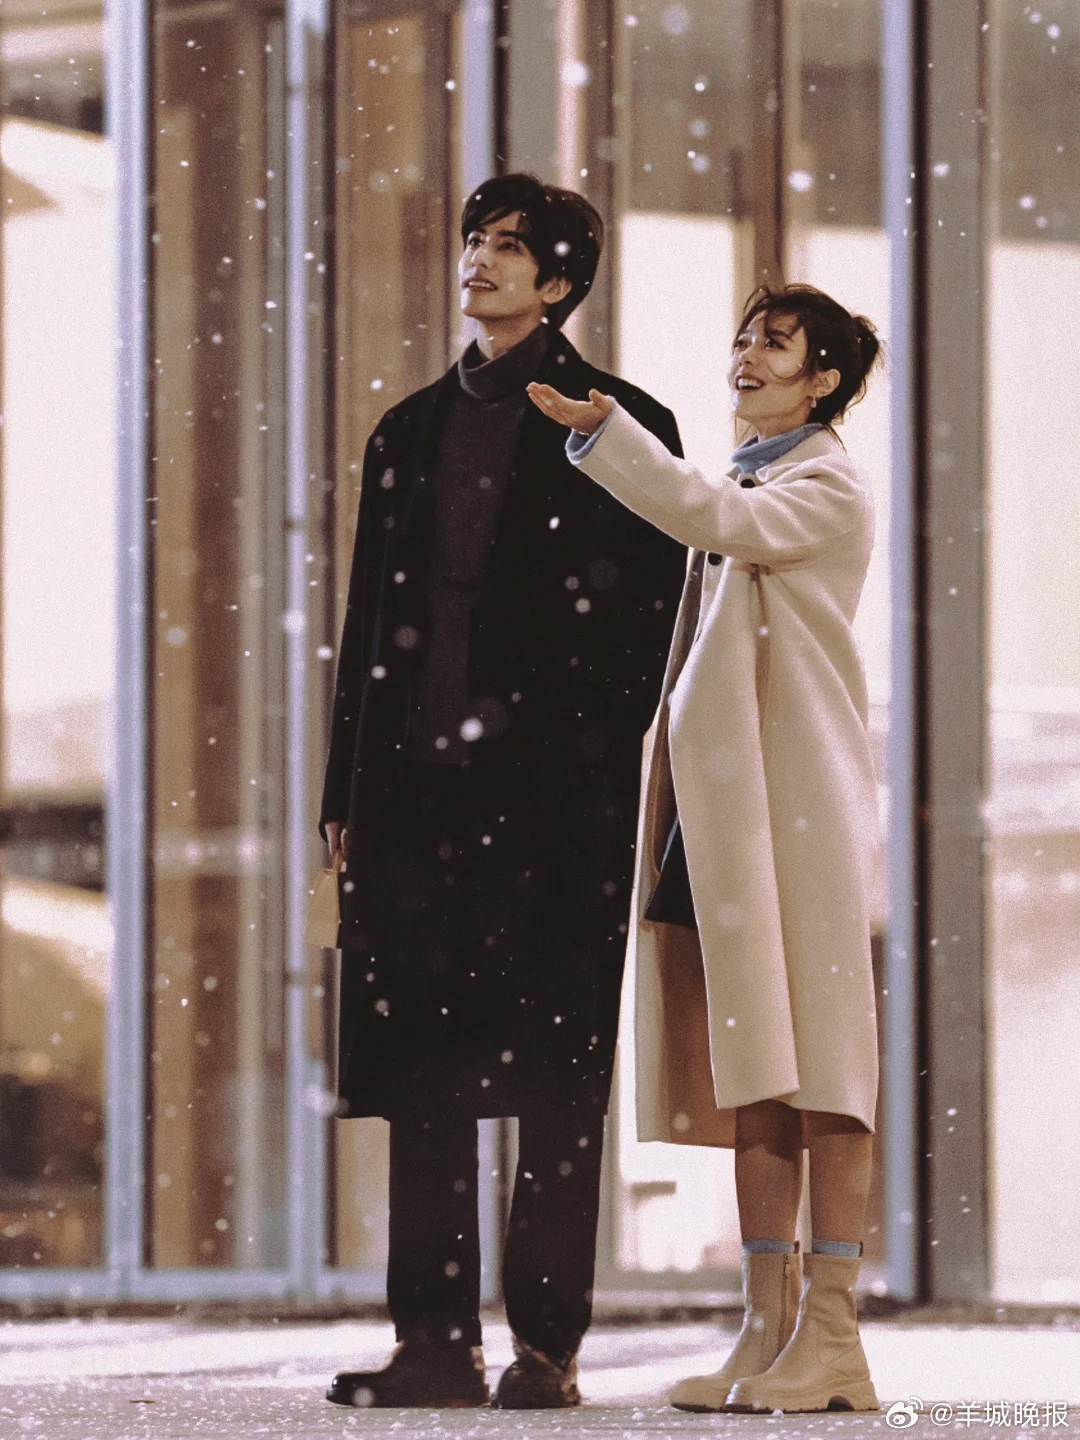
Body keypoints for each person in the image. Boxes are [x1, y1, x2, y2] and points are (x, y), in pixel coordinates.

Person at [320, 172, 686, 1410]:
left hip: (552, 809)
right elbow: (367, 625)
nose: (478, 260)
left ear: (560, 282)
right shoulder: (407, 431)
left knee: (556, 1080)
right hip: (413, 800)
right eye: (475, 239)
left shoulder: (622, 423)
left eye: (510, 246)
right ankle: (433, 1341)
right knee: (421, 1072)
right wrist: (346, 788)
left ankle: (545, 1346)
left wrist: (579, 766)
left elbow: (648, 631)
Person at [528, 282, 883, 1414]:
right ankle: (767, 1328)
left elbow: (708, 518)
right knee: (758, 1072)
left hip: (797, 810)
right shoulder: (754, 477)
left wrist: (606, 432)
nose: (747, 356)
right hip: (728, 814)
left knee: (826, 1072)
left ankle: (834, 1338)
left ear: (822, 380)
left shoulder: (820, 485)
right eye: (743, 339)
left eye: (775, 344)